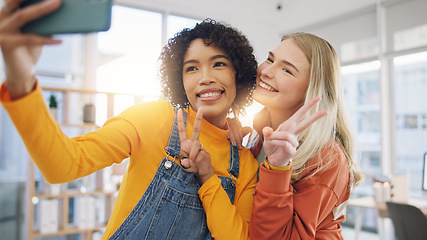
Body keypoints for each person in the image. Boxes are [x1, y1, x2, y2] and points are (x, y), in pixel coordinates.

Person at [0, 1, 259, 239]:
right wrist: (21, 79)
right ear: (179, 81)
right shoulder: (154, 118)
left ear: (239, 74)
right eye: (191, 68)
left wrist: (207, 175)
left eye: (219, 64)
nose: (205, 78)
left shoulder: (245, 164)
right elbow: (64, 165)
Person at [242, 33, 364, 239]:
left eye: (287, 70)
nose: (266, 71)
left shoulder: (327, 158)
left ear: (311, 89)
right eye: (270, 59)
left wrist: (278, 169)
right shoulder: (259, 134)